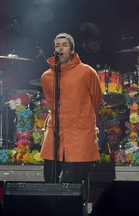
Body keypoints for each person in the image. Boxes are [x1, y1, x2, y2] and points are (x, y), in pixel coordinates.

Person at [40, 33, 103, 201]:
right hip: (56, 130)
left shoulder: (87, 72)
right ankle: (54, 209)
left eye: (64, 45)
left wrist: (84, 116)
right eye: (57, 45)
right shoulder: (47, 76)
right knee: (49, 176)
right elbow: (51, 100)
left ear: (72, 49)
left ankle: (78, 208)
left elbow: (96, 98)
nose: (60, 48)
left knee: (79, 177)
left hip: (80, 130)